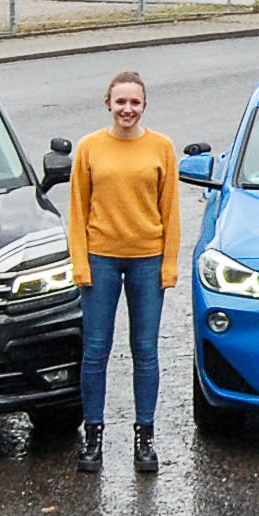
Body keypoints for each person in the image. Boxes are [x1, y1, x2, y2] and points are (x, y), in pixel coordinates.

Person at [66, 70, 179, 476]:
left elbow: (170, 210)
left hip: (147, 257)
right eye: (120, 102)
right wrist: (81, 262)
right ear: (108, 104)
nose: (127, 109)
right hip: (100, 258)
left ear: (144, 105)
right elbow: (78, 209)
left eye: (134, 102)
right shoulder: (90, 148)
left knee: (145, 351)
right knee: (96, 350)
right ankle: (93, 435)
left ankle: (144, 435)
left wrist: (169, 264)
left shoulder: (161, 147)